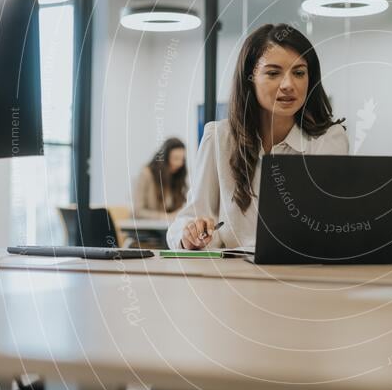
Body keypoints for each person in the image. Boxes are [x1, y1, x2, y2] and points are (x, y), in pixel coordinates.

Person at [166, 23, 349, 250]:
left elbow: (332, 227)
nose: (288, 85)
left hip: (303, 277)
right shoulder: (219, 138)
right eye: (273, 73)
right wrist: (191, 234)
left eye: (299, 73)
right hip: (234, 278)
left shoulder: (328, 139)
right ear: (249, 78)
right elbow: (185, 222)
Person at [133, 137, 188, 219]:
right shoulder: (146, 174)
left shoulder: (176, 176)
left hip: (165, 227)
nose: (179, 163)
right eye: (176, 158)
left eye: (182, 159)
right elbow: (138, 211)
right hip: (146, 229)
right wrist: (166, 216)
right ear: (164, 159)